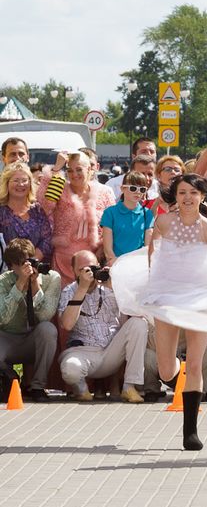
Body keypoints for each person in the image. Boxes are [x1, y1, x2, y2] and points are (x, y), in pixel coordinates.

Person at [110, 174, 207, 450]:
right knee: (166, 369)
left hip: (198, 301)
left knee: (196, 363)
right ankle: (185, 385)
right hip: (167, 297)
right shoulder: (164, 222)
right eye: (181, 193)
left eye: (193, 193)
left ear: (202, 196)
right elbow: (153, 252)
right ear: (175, 197)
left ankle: (190, 430)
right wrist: (155, 281)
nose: (187, 198)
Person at [58, 249, 148, 403]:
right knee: (70, 367)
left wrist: (117, 285)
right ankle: (81, 389)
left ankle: (129, 386)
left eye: (92, 268)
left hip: (111, 353)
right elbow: (67, 324)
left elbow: (136, 312)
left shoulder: (110, 289)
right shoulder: (69, 291)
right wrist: (82, 289)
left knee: (139, 323)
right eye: (83, 270)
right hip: (84, 353)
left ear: (98, 267)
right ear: (73, 271)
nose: (89, 273)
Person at [37, 152, 115, 287]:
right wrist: (56, 169)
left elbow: (113, 225)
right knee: (65, 305)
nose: (74, 174)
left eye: (79, 169)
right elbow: (46, 204)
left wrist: (103, 251)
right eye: (70, 170)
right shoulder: (61, 188)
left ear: (90, 169)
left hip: (94, 262)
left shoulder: (105, 192)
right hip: (63, 263)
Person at [0, 238, 60, 401]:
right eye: (21, 264)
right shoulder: (3, 281)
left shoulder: (51, 277)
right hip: (8, 338)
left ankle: (38, 387)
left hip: (33, 340)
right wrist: (19, 285)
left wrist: (35, 286)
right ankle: (7, 374)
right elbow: (3, 319)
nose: (28, 267)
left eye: (30, 261)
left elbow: (45, 315)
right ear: (11, 266)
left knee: (48, 329)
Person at [143, 324, 207, 402]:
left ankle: (200, 391)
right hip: (167, 367)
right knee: (147, 354)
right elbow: (150, 344)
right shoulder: (159, 315)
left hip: (194, 366)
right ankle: (151, 391)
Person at [0, 162, 52, 262]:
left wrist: (32, 262)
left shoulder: (37, 209)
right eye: (16, 180)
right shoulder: (2, 211)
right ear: (6, 183)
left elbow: (47, 239)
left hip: (36, 269)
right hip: (7, 270)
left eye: (24, 180)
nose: (21, 184)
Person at [101, 170, 154, 265]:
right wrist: (116, 263)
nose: (138, 192)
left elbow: (147, 247)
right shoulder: (110, 212)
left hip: (139, 266)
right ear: (122, 188)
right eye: (133, 188)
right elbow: (107, 249)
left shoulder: (147, 214)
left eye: (142, 189)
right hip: (116, 265)